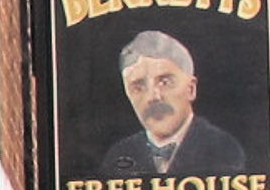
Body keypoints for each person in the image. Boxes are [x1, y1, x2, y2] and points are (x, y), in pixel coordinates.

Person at [101, 30, 245, 175]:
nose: (153, 97)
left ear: (191, 89)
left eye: (165, 82)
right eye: (138, 87)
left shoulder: (223, 149)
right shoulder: (117, 156)